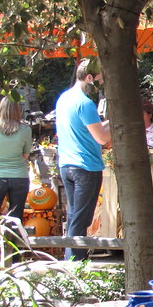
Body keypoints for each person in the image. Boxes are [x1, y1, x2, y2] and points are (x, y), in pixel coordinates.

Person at [56, 57, 111, 261]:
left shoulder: (64, 98)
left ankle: (71, 258)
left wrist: (110, 121)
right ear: (89, 78)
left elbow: (90, 129)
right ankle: (75, 263)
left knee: (74, 215)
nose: (100, 84)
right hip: (86, 166)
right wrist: (121, 123)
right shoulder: (85, 103)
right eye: (99, 79)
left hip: (66, 165)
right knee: (81, 218)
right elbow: (101, 138)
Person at [0, 96, 33, 221]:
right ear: (17, 109)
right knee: (16, 219)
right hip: (19, 177)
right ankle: (14, 234)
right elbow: (25, 156)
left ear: (1, 108)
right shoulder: (26, 130)